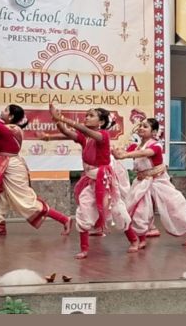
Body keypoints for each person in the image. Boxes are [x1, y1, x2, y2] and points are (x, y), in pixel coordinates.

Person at [0, 80, 73, 237]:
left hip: (12, 166)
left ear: (11, 116)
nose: (3, 111)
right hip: (0, 164)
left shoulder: (11, 130)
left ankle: (64, 219)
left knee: (26, 202)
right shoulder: (7, 127)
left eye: (6, 110)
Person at [47, 104, 137, 259]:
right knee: (84, 208)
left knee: (117, 209)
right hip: (90, 180)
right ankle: (84, 248)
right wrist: (57, 120)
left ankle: (134, 239)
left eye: (91, 115)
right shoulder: (86, 138)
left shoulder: (103, 135)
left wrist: (61, 117)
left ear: (101, 122)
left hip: (105, 180)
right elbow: (66, 131)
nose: (86, 117)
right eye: (86, 115)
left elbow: (83, 130)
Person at [112, 118, 186, 247]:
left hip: (159, 181)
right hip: (142, 182)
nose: (141, 128)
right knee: (140, 211)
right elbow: (124, 151)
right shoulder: (135, 146)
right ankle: (141, 240)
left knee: (174, 208)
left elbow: (145, 153)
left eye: (145, 127)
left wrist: (125, 155)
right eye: (140, 126)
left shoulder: (156, 146)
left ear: (154, 132)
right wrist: (113, 150)